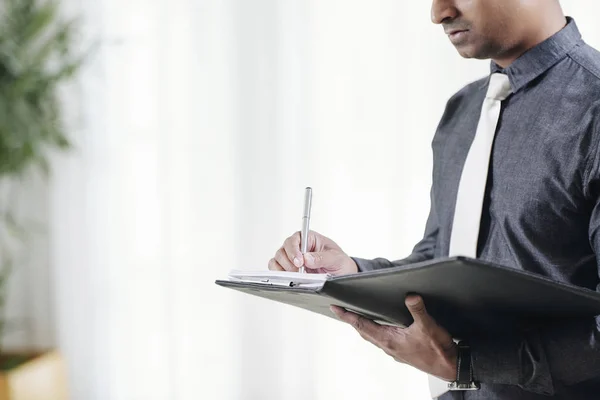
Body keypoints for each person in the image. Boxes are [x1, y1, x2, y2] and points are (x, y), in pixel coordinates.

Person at [268, 0, 600, 399]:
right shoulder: (463, 111)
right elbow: (443, 255)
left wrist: (470, 363)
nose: (438, 12)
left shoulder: (593, 109)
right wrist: (352, 273)